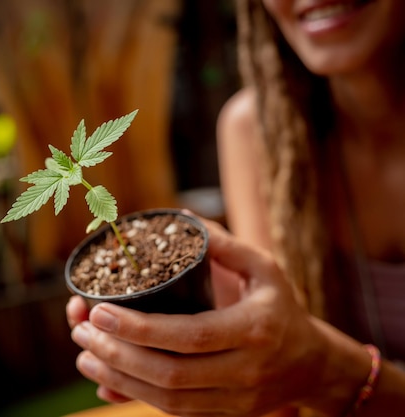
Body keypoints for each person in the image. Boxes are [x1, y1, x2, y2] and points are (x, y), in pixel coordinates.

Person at [66, 0, 405, 415]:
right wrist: (234, 363)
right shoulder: (258, 134)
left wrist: (329, 371)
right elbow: (282, 399)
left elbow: (309, 370)